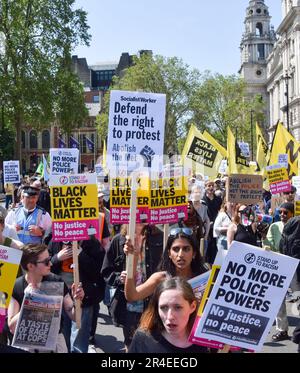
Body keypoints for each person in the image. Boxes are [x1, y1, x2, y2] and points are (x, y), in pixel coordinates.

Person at [7, 243, 84, 353]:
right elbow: (12, 328)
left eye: (49, 259)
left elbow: (74, 316)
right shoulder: (17, 286)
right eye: (46, 261)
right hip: (28, 344)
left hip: (55, 343)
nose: (50, 264)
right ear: (30, 266)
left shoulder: (56, 281)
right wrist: (30, 300)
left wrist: (78, 301)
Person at [101, 224, 163, 350]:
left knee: (153, 343)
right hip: (128, 305)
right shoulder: (119, 240)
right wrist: (119, 278)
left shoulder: (159, 237)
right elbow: (106, 270)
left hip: (153, 303)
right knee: (131, 343)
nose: (140, 218)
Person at [125, 227, 206, 303]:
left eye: (186, 249)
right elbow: (132, 296)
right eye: (176, 249)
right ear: (169, 254)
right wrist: (133, 258)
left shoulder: (205, 279)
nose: (181, 254)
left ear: (194, 253)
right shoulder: (161, 278)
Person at [128, 277, 207, 353]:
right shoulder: (143, 339)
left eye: (178, 307)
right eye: (163, 308)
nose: (170, 317)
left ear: (192, 307)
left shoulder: (205, 341)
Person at [263, 202, 295, 342]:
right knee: (278, 300)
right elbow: (268, 245)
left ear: (292, 214)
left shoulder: (297, 226)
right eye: (280, 212)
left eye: (285, 212)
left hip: (296, 267)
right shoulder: (274, 226)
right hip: (279, 266)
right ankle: (282, 330)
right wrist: (263, 237)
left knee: (297, 298)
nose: (282, 215)